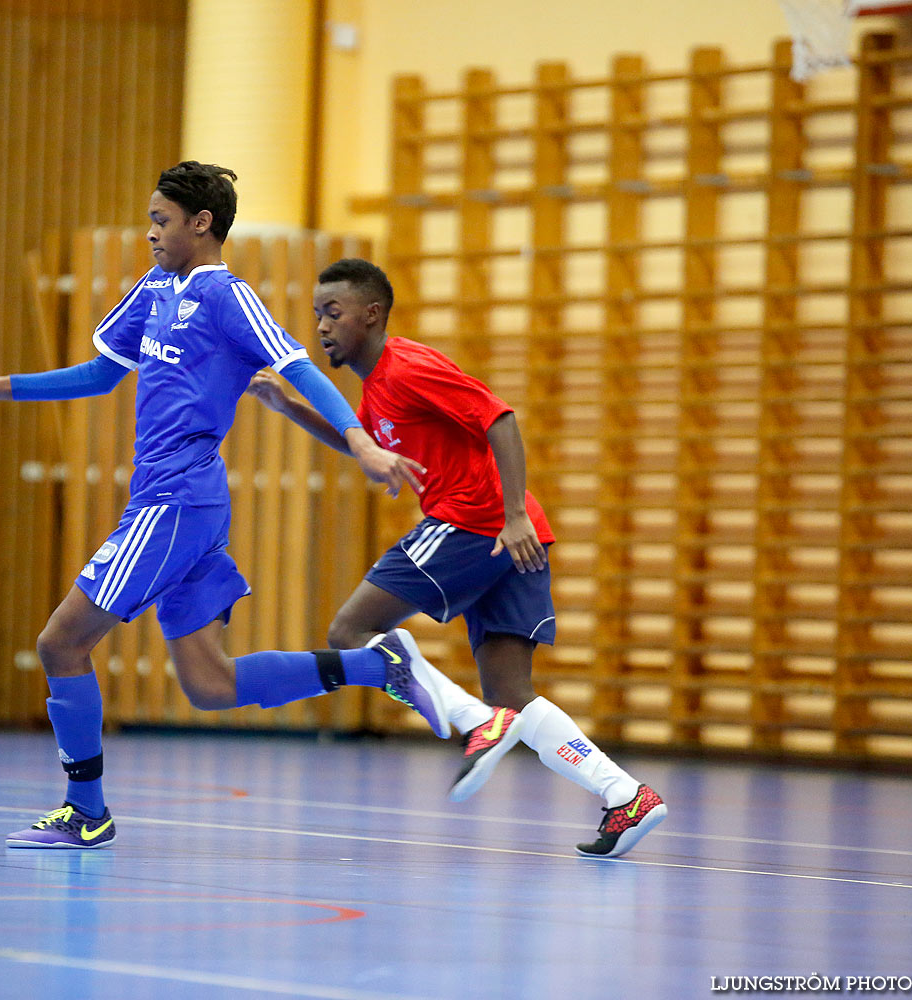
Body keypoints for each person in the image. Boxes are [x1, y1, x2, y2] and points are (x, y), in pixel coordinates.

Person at [0, 163, 468, 850]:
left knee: (60, 643)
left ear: (201, 224)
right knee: (212, 685)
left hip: (175, 503)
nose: (149, 231)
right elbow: (102, 372)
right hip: (177, 504)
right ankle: (380, 665)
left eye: (161, 220)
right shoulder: (155, 288)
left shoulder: (227, 296)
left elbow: (298, 365)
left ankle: (84, 811)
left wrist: (361, 442)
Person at [246, 257, 667, 859]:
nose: (321, 326)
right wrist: (289, 407)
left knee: (350, 628)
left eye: (332, 313)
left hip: (475, 523)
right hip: (508, 536)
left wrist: (515, 511)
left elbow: (499, 417)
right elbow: (356, 442)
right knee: (512, 694)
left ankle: (472, 722)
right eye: (316, 315)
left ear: (371, 314)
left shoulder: (409, 367)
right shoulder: (376, 390)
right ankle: (625, 796)